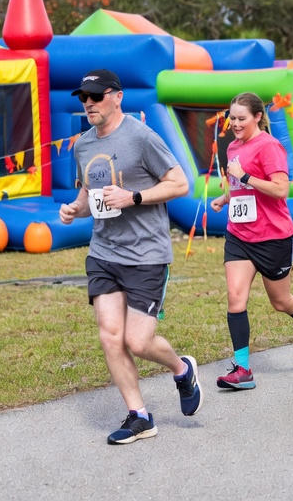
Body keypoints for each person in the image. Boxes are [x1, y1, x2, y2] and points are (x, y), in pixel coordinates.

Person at [57, 69, 201, 445]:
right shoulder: (83, 145)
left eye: (96, 96)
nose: (88, 103)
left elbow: (180, 183)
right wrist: (74, 209)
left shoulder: (141, 137)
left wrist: (134, 197)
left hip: (146, 254)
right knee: (110, 336)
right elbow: (91, 194)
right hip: (104, 253)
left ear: (116, 96)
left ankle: (181, 368)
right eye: (83, 98)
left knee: (138, 342)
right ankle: (139, 415)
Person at [208, 92, 293, 391]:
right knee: (235, 297)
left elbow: (280, 190)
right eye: (231, 118)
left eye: (241, 118)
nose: (234, 124)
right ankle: (243, 369)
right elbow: (237, 185)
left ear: (257, 117)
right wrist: (225, 198)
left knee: (281, 302)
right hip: (239, 235)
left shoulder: (269, 146)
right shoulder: (233, 146)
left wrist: (246, 176)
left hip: (273, 237)